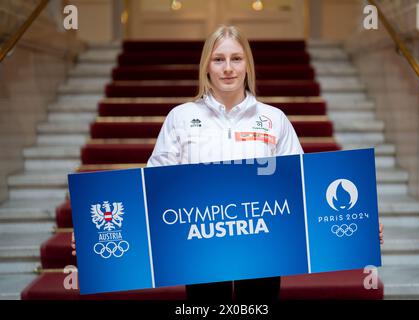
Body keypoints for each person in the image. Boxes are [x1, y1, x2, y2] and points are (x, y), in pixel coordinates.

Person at [72, 25, 385, 301]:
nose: (228, 68)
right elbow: (152, 185)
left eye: (236, 58)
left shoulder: (273, 119)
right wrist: (93, 233)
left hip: (264, 245)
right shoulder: (181, 117)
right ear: (206, 65)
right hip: (198, 246)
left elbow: (302, 185)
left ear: (247, 64)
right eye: (218, 59)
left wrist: (362, 223)